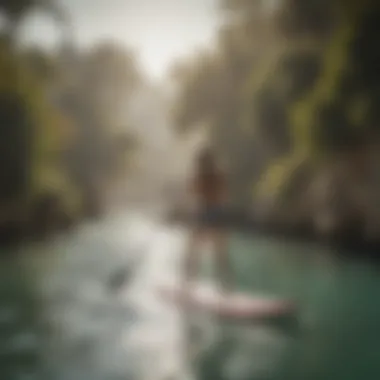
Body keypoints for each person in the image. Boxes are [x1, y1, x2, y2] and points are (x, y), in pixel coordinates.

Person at [182, 145, 232, 293]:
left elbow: (192, 191)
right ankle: (227, 287)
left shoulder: (203, 177)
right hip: (218, 214)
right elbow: (224, 194)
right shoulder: (218, 175)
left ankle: (187, 285)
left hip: (206, 214)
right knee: (220, 254)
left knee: (193, 251)